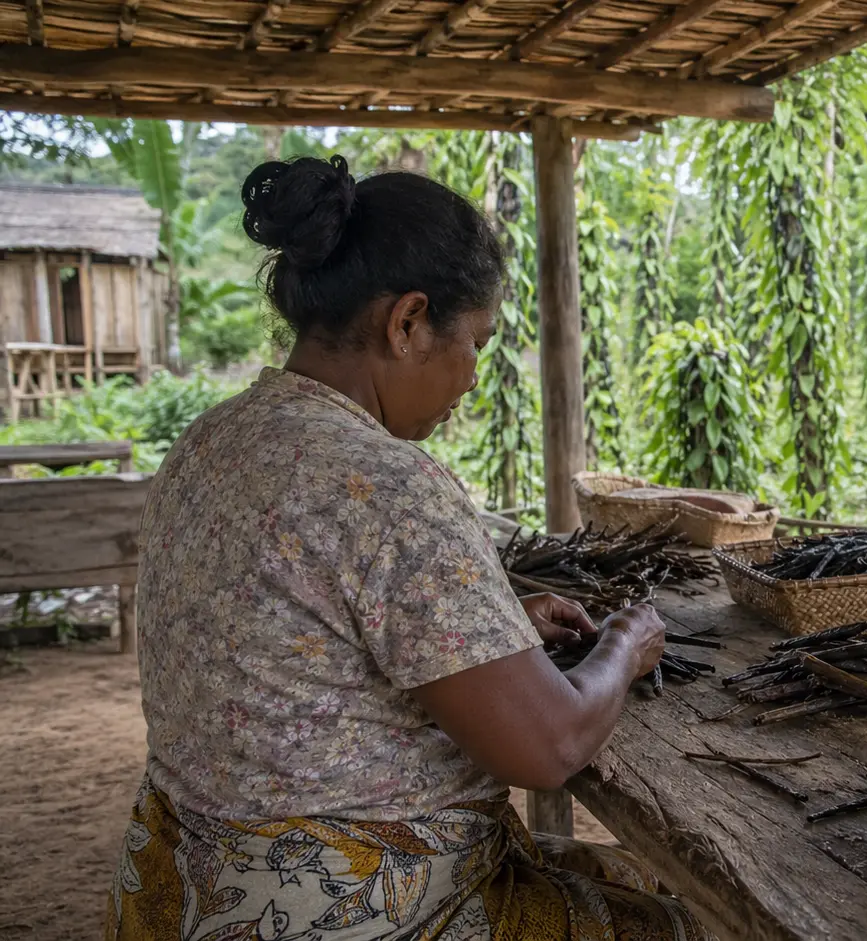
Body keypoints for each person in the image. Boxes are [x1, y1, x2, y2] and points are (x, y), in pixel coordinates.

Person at [108, 155, 710, 941]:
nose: (469, 380)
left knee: (624, 874)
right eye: (476, 344)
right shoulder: (386, 484)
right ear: (407, 322)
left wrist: (496, 628)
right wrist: (626, 643)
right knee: (682, 923)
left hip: (187, 885)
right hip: (342, 910)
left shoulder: (214, 439)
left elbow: (290, 644)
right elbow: (551, 744)